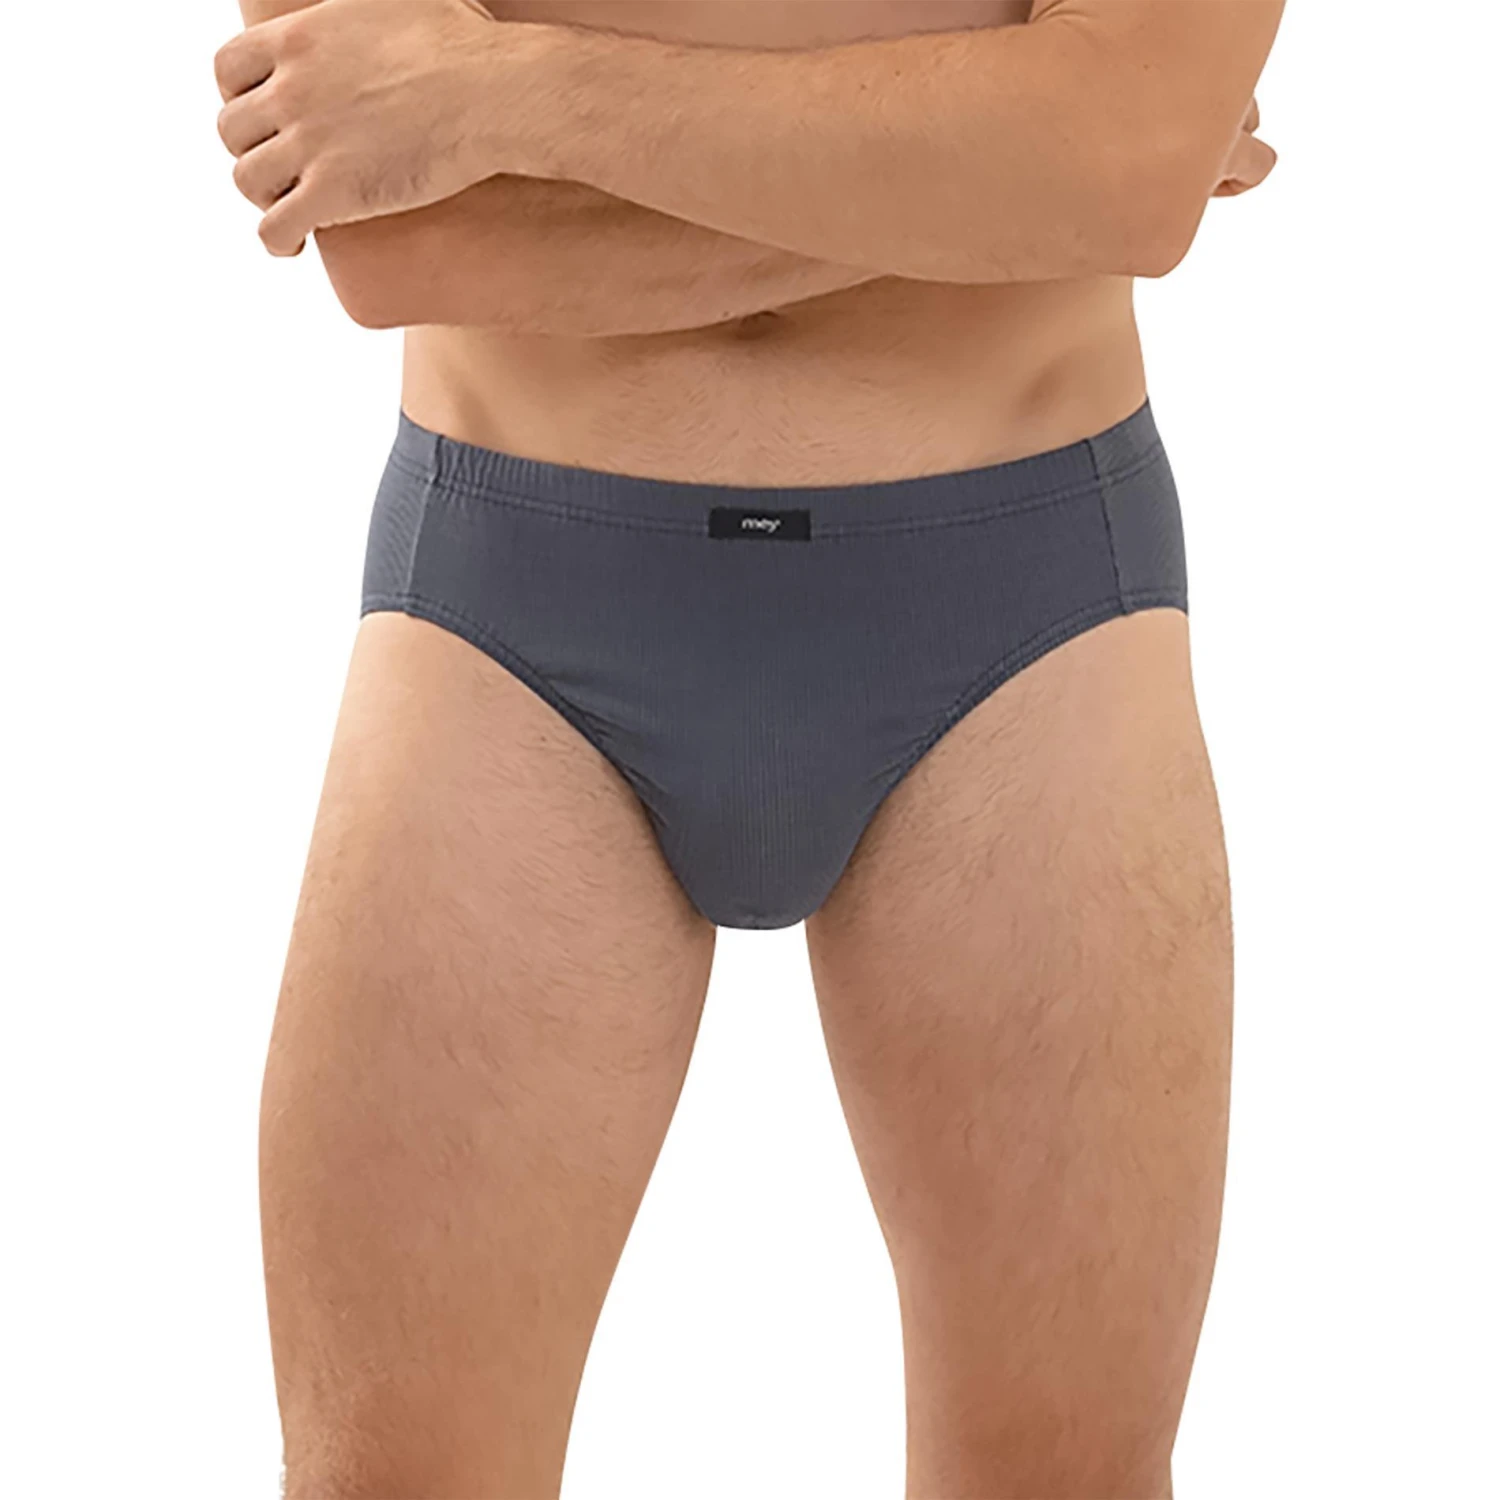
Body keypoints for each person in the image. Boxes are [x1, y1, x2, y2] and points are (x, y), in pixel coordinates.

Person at [213, 2, 1284, 1495]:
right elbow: (405, 246)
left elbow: (1123, 164)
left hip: (1026, 614)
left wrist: (509, 90)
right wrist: (1023, 167)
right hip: (518, 611)